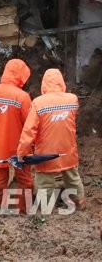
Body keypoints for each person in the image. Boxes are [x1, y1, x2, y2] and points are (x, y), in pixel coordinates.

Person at [17, 68, 84, 208]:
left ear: (44, 84)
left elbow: (29, 131)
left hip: (46, 152)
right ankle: (80, 204)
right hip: (68, 150)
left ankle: (44, 211)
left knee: (44, 183)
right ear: (62, 82)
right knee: (73, 178)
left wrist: (22, 153)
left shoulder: (38, 102)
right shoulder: (72, 99)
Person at [0, 59, 34, 212]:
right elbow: (29, 125)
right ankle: (23, 210)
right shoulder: (23, 97)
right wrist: (33, 144)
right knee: (25, 180)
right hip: (19, 147)